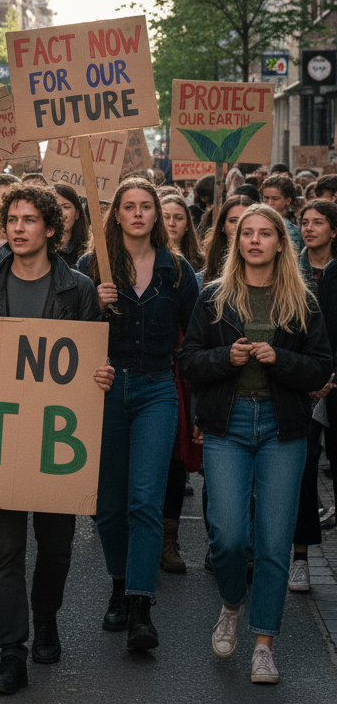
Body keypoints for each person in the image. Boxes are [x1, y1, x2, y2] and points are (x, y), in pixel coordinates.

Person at [0, 185, 112, 695]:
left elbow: (92, 360)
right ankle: (11, 652)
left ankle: (46, 615)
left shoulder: (79, 290)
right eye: (12, 220)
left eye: (30, 220)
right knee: (4, 554)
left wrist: (101, 376)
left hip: (55, 442)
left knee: (57, 548)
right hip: (0, 438)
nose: (19, 228)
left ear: (51, 229)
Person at [178, 205, 330, 684]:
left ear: (280, 244)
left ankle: (263, 643)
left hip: (283, 429)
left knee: (273, 542)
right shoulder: (214, 297)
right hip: (228, 425)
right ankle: (230, 603)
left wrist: (278, 357)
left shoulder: (301, 301)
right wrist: (228, 355)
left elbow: (319, 368)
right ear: (237, 241)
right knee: (227, 536)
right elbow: (190, 362)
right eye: (248, 233)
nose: (256, 241)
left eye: (266, 234)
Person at [77, 177, 198, 652]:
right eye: (129, 207)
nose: (139, 214)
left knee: (145, 501)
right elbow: (68, 337)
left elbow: (196, 338)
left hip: (156, 390)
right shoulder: (92, 267)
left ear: (157, 215)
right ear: (117, 215)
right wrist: (94, 305)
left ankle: (141, 606)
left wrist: (197, 405)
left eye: (147, 206)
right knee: (109, 505)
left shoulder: (177, 270)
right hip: (105, 391)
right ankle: (118, 585)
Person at [288, 198, 337, 591]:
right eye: (304, 222)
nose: (309, 228)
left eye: (318, 222)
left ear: (333, 231)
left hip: (334, 383)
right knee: (303, 472)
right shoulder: (291, 270)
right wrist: (309, 377)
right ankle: (300, 558)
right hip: (301, 387)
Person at [158, 193, 205, 575]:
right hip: (134, 371)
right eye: (165, 216)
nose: (171, 223)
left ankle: (168, 539)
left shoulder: (187, 270)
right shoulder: (108, 264)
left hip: (175, 375)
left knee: (174, 461)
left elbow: (195, 332)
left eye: (178, 217)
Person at [201, 196, 255, 284]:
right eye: (233, 220)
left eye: (245, 220)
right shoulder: (201, 279)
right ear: (223, 225)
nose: (238, 226)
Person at [261, 174, 304, 253]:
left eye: (275, 199)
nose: (269, 203)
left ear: (288, 201)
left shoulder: (296, 232)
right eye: (266, 198)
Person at [52, 184, 89, 269]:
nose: (61, 213)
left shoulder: (88, 253)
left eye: (66, 207)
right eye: (55, 207)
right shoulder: (37, 249)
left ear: (77, 214)